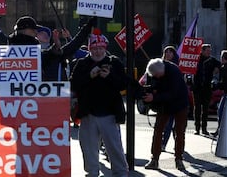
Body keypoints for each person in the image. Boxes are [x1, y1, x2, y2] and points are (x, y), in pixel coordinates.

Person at [70, 30, 129, 177]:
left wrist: (109, 77)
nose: (98, 52)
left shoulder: (114, 62)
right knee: (89, 148)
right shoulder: (82, 63)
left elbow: (123, 84)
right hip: (88, 113)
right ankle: (92, 173)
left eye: (100, 48)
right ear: (89, 49)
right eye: (94, 49)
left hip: (110, 113)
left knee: (114, 147)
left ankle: (121, 173)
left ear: (105, 48)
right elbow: (73, 85)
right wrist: (89, 75)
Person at [143, 58, 189, 171]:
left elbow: (173, 93)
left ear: (162, 70)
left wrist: (154, 97)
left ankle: (179, 159)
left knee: (179, 132)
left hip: (180, 104)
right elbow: (153, 86)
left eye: (158, 75)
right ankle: (154, 159)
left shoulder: (174, 72)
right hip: (164, 105)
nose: (157, 77)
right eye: (154, 75)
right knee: (158, 130)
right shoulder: (154, 72)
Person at [193, 43, 220, 135]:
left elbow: (220, 65)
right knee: (197, 108)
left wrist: (217, 68)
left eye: (210, 51)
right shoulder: (196, 59)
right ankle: (197, 128)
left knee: (205, 109)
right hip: (197, 87)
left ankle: (204, 128)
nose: (209, 52)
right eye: (207, 51)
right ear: (202, 51)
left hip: (207, 88)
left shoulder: (212, 60)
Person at [161, 45, 179, 151]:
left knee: (174, 125)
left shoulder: (177, 67)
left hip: (175, 99)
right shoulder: (161, 65)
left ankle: (173, 144)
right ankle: (163, 143)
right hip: (165, 99)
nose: (168, 54)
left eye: (170, 52)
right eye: (166, 52)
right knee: (167, 124)